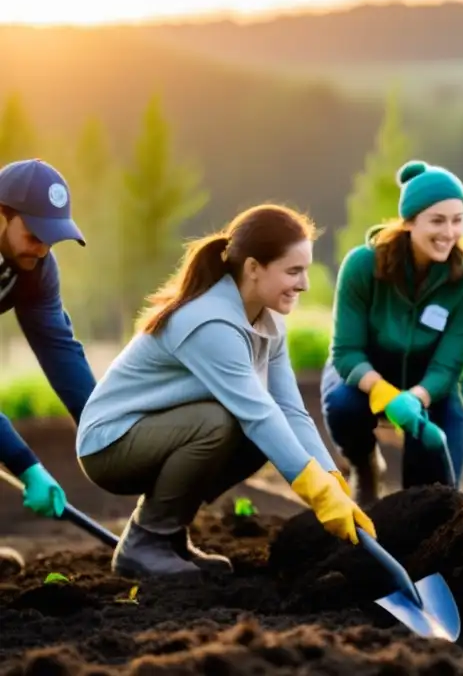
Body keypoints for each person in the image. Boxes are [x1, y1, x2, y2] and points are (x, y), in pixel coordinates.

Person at [76, 204, 375, 579]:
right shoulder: (208, 321)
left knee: (254, 430)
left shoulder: (267, 323)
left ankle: (169, 536)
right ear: (253, 268)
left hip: (158, 433)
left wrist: (332, 480)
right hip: (111, 444)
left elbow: (290, 411)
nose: (304, 284)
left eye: (306, 271)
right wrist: (316, 493)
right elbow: (258, 413)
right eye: (293, 271)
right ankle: (146, 539)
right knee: (223, 421)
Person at [321, 160, 463, 507]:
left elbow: (447, 367)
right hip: (365, 375)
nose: (449, 232)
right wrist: (386, 395)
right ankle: (365, 468)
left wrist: (416, 398)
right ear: (410, 221)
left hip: (433, 384)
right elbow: (346, 352)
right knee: (341, 405)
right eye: (437, 220)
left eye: (457, 220)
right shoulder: (362, 266)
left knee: (432, 497)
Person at [0, 158, 96, 526]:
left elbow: (58, 348)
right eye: (34, 235)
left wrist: (103, 423)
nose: (42, 249)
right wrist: (26, 465)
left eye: (51, 238)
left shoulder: (37, 269)